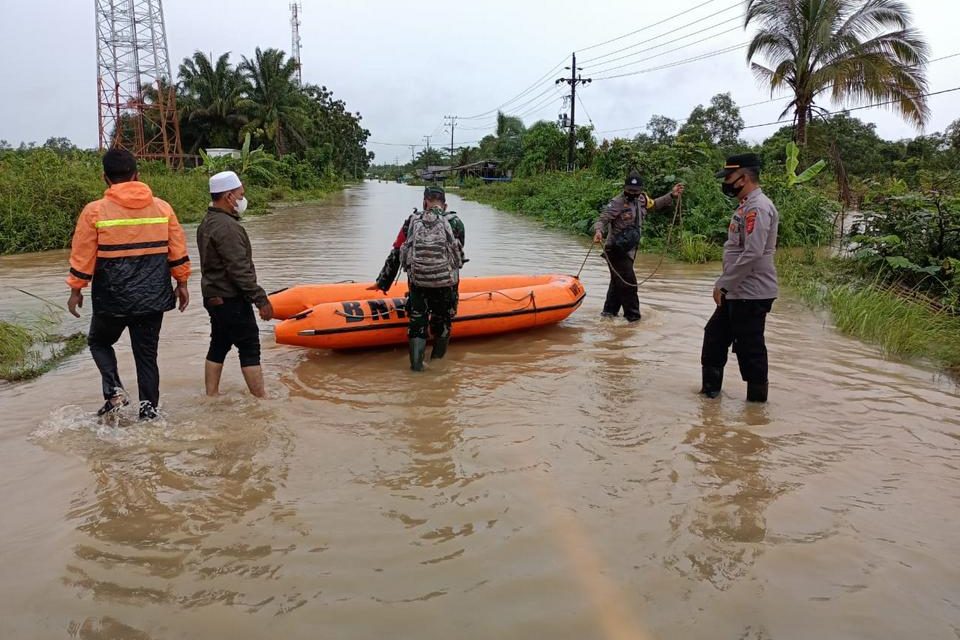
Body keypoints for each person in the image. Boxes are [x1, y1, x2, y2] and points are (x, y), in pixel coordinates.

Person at [66, 148, 191, 420]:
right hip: (153, 298)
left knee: (99, 342)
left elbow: (82, 255)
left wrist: (76, 289)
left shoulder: (94, 211)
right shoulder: (162, 208)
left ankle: (114, 392)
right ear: (136, 175)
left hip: (113, 299)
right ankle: (149, 412)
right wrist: (182, 283)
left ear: (105, 178)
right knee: (147, 357)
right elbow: (177, 251)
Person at [700, 153, 779, 403]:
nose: (726, 182)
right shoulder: (746, 205)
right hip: (737, 290)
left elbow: (753, 252)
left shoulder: (758, 207)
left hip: (751, 293)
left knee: (750, 350)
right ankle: (710, 400)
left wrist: (723, 284)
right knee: (714, 338)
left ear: (743, 177)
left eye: (729, 177)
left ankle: (756, 412)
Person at [196, 171, 274, 397]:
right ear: (229, 197)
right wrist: (260, 299)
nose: (242, 200)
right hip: (230, 299)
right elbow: (238, 270)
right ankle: (262, 401)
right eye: (240, 195)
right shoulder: (227, 227)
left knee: (219, 344)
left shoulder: (207, 222)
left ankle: (211, 396)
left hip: (213, 297)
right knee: (250, 346)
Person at [371, 185, 465, 371]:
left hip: (418, 284)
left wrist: (382, 282)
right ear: (444, 205)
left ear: (424, 202)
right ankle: (438, 367)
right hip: (446, 285)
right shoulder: (456, 223)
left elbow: (397, 252)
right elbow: (458, 255)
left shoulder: (411, 221)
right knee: (443, 323)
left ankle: (416, 370)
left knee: (417, 325)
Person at [593, 170, 684, 321]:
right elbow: (602, 219)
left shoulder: (642, 199)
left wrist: (672, 195)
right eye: (630, 190)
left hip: (629, 250)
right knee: (629, 285)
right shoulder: (617, 202)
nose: (633, 193)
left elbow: (654, 205)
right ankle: (633, 320)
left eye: (636, 191)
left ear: (641, 190)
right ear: (624, 188)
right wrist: (598, 231)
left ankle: (608, 315)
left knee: (618, 283)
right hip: (615, 251)